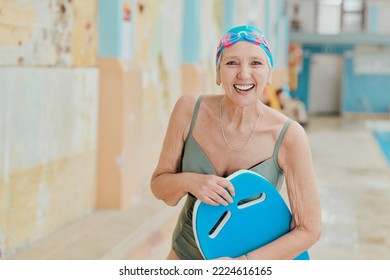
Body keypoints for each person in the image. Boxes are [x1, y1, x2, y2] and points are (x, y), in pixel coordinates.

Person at [150, 25, 321, 260]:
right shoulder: (189, 110)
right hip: (186, 253)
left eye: (256, 63)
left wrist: (244, 265)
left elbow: (309, 229)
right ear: (218, 73)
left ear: (269, 74)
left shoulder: (289, 136)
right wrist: (191, 181)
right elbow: (160, 187)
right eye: (231, 63)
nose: (244, 74)